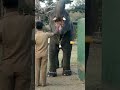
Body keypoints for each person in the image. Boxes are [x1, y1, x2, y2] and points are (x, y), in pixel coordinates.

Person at [0, 0, 34, 90]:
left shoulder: (1, 23)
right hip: (23, 67)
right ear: (18, 6)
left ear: (4, 7)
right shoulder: (28, 20)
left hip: (6, 67)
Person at [35, 21, 57, 87]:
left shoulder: (35, 35)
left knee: (37, 69)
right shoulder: (46, 34)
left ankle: (36, 83)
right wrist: (58, 27)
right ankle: (43, 83)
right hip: (44, 54)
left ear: (36, 27)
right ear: (42, 27)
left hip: (37, 54)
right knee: (43, 68)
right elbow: (54, 33)